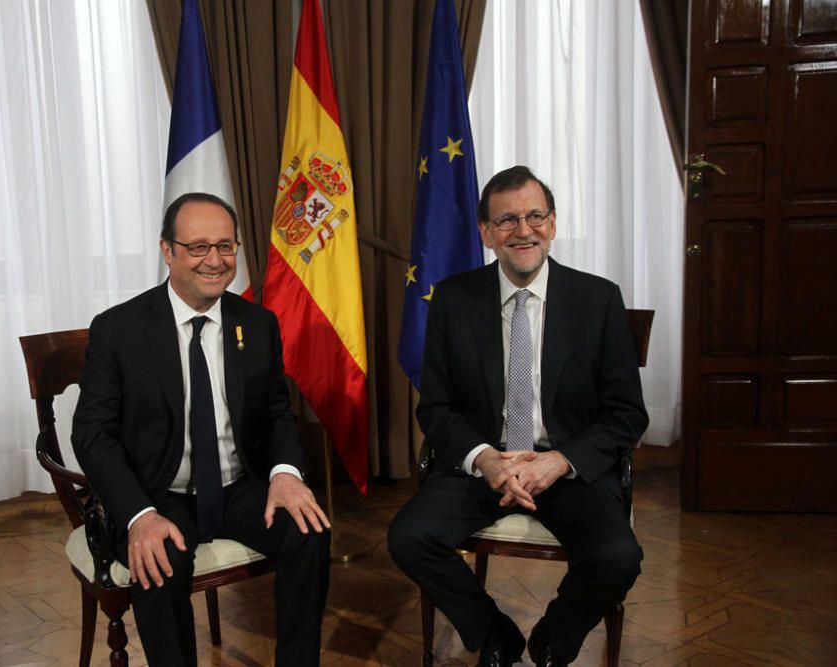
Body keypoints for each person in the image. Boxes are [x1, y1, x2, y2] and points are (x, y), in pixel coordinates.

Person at [388, 166, 647, 667]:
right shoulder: (454, 299)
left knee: (618, 558)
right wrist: (485, 459)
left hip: (566, 469)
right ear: (486, 232)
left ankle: (553, 640)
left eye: (534, 216)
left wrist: (559, 462)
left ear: (552, 223)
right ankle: (494, 635)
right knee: (408, 538)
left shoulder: (598, 299)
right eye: (506, 220)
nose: (522, 231)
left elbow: (626, 413)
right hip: (485, 466)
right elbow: (437, 408)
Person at [72, 192, 331, 667]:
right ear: (167, 251)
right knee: (158, 561)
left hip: (239, 485)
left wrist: (286, 472)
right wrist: (137, 515)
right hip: (158, 492)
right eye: (198, 248)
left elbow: (277, 411)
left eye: (226, 246)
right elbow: (91, 434)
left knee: (309, 531)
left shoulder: (257, 323)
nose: (215, 261)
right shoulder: (119, 330)